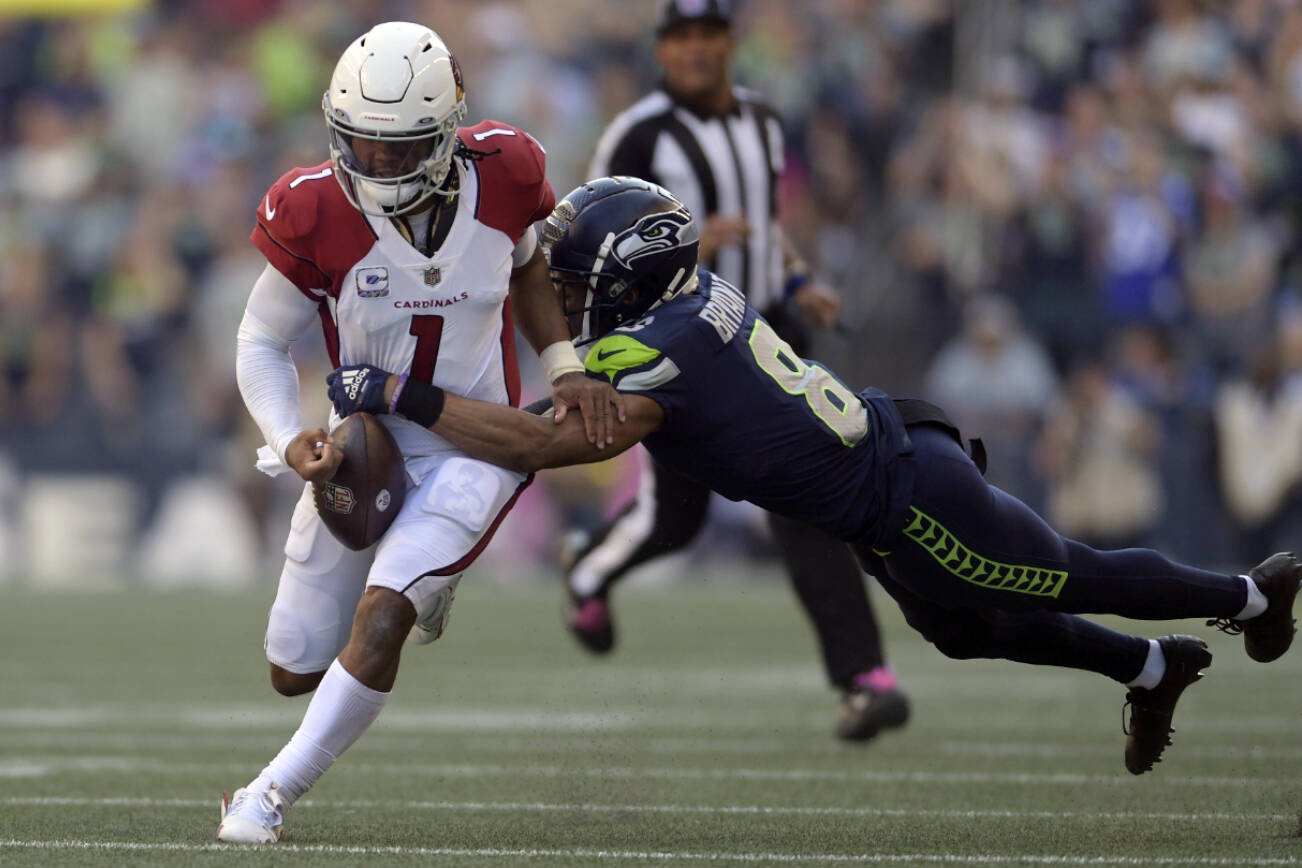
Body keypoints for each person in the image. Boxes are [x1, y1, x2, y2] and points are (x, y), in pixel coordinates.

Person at [328, 176, 1302, 781]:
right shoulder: (690, 302)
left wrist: (398, 393)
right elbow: (550, 428)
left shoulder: (653, 356)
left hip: (910, 499)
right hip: (888, 483)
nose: (571, 301)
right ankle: (1152, 666)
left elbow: (540, 446)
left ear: (628, 275)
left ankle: (1251, 593)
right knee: (963, 633)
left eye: (581, 283)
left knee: (1064, 573)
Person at [217, 22, 620, 844]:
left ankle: (265, 796)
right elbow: (259, 339)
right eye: (360, 145)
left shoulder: (508, 171)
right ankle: (421, 581)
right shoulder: (312, 206)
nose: (376, 165)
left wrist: (564, 362)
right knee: (292, 667)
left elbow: (530, 263)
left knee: (383, 616)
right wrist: (292, 436)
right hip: (363, 446)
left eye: (398, 150)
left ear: (445, 135)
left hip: (479, 442)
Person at [563, 0, 909, 741]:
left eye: (708, 35)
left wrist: (794, 276)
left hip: (758, 328)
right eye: (681, 37)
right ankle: (590, 568)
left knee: (811, 497)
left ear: (730, 42)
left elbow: (768, 220)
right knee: (675, 517)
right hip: (675, 339)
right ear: (662, 49)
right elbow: (582, 240)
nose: (695, 50)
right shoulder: (639, 133)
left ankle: (863, 678)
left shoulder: (761, 119)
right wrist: (687, 251)